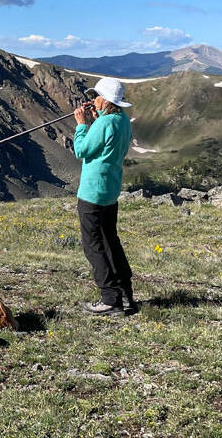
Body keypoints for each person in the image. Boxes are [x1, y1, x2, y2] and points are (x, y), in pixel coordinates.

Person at [73, 77, 137, 316]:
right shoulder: (122, 121)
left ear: (106, 99)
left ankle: (109, 298)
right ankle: (125, 294)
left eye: (96, 96)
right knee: (111, 241)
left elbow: (81, 150)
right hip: (110, 191)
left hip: (92, 192)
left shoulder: (104, 124)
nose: (93, 100)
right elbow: (108, 139)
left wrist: (81, 124)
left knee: (93, 245)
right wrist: (98, 119)